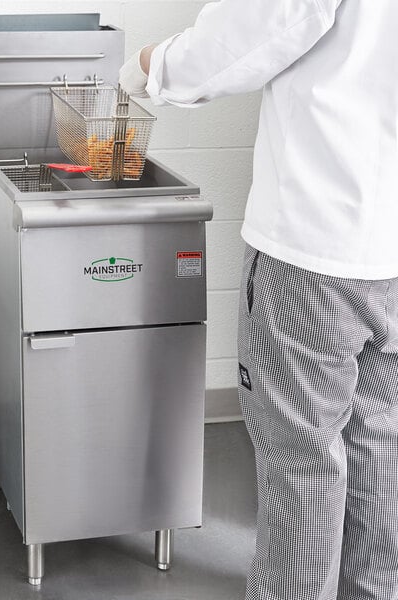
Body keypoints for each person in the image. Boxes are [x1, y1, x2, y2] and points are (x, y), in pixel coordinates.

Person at [119, 1, 398, 599]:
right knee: (381, 452)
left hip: (315, 250)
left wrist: (149, 67)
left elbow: (252, 29)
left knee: (301, 464)